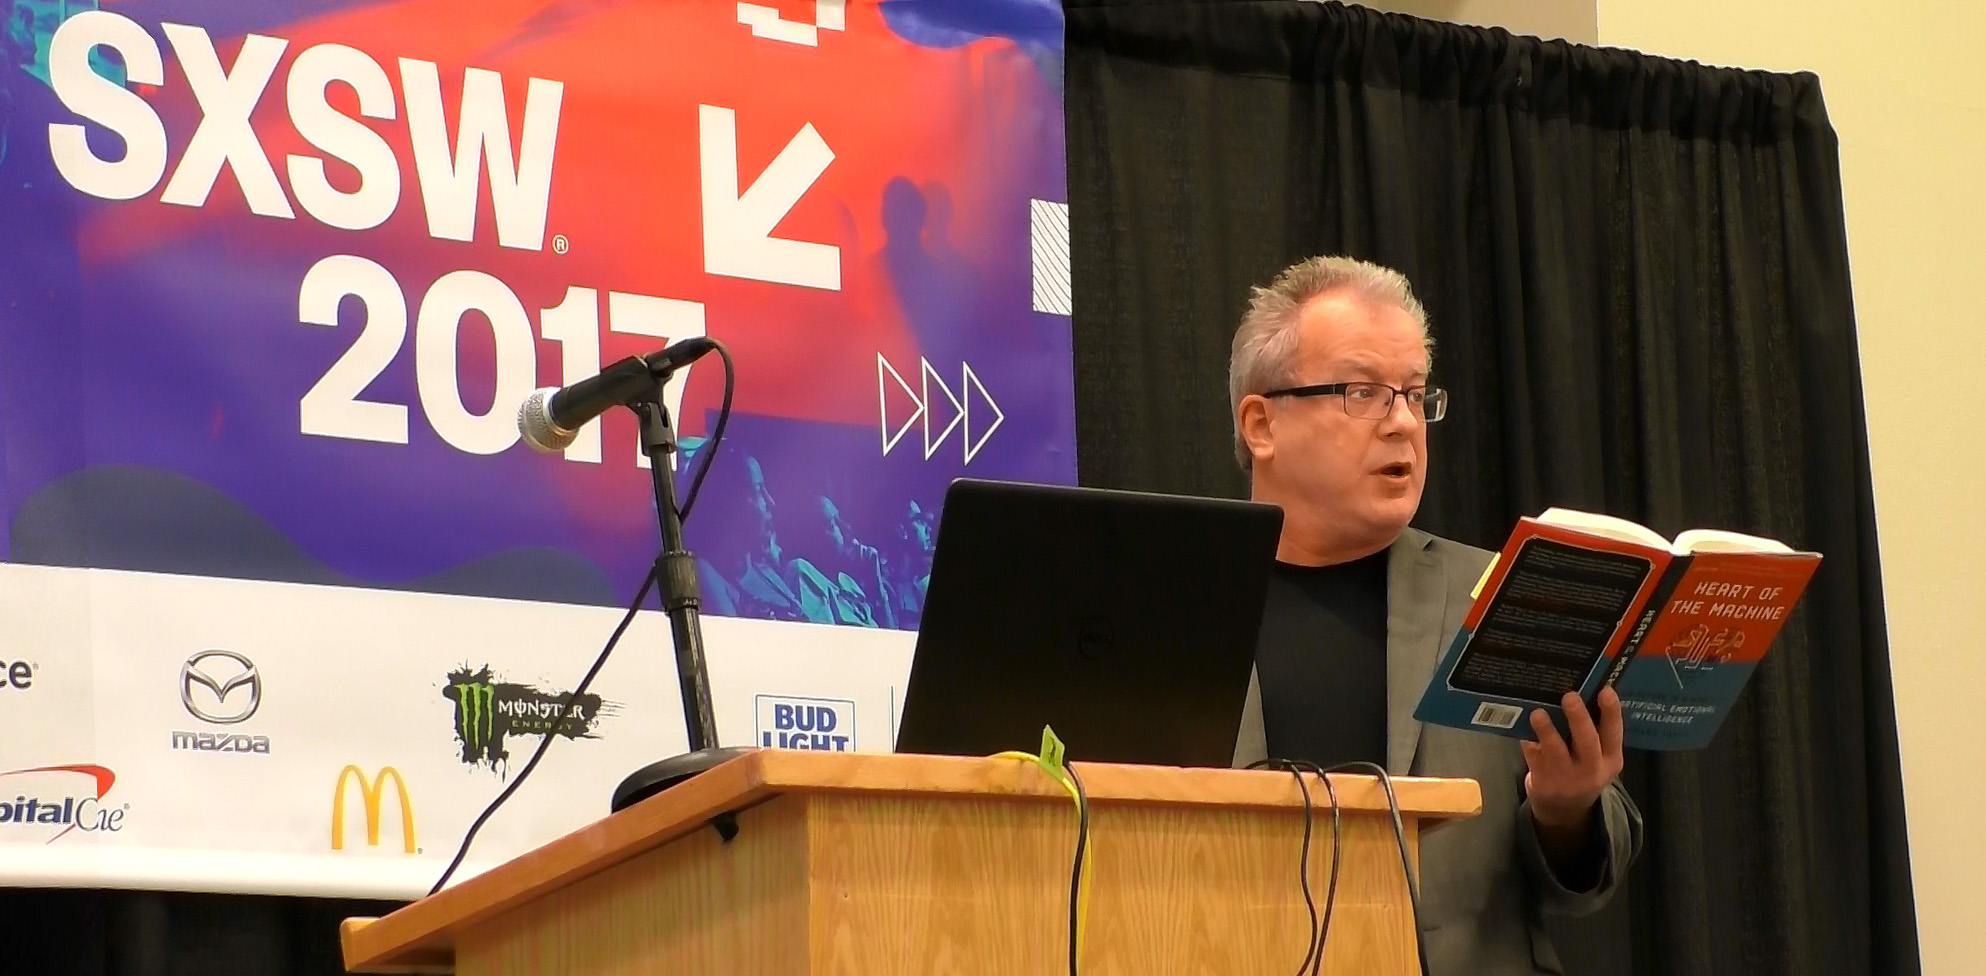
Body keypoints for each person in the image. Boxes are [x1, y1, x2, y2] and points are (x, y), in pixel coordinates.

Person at [1228, 256, 1644, 976]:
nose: (1402, 423)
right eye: (1363, 392)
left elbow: (1587, 876)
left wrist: (1565, 809)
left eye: (1415, 395)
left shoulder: (1505, 593)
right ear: (1262, 423)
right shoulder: (1173, 607)